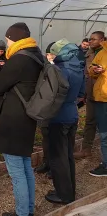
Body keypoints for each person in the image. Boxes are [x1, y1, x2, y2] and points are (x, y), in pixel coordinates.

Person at [0, 23, 42, 216]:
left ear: (15, 38)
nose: (7, 42)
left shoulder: (18, 59)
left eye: (8, 39)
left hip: (13, 119)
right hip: (27, 118)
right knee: (26, 166)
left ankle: (22, 213)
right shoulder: (36, 55)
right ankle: (27, 210)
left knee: (17, 171)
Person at [45, 39, 84, 204]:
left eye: (54, 52)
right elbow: (82, 93)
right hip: (72, 115)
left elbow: (52, 95)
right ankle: (69, 190)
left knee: (57, 157)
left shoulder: (60, 70)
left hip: (58, 117)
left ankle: (63, 195)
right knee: (67, 156)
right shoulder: (78, 67)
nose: (52, 55)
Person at [75, 31, 105, 159]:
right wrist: (85, 93)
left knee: (104, 127)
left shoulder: (104, 53)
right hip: (92, 92)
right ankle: (86, 149)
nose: (90, 41)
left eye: (94, 39)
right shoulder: (89, 53)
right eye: (90, 39)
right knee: (90, 122)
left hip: (104, 94)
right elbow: (87, 74)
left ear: (102, 39)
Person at [87, 36, 107, 177]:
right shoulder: (102, 52)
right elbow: (91, 69)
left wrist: (104, 71)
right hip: (101, 98)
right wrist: (95, 70)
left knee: (105, 134)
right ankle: (106, 163)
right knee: (104, 134)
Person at [35, 42, 55, 178]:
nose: (49, 56)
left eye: (51, 54)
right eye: (47, 54)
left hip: (55, 110)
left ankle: (54, 166)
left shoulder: (60, 69)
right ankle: (46, 162)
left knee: (55, 139)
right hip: (44, 109)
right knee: (46, 137)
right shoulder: (43, 66)